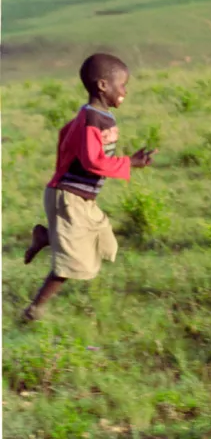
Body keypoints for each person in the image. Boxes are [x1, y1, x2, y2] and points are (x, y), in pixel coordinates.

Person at [22, 53, 157, 321]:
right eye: (122, 85)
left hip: (80, 198)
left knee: (104, 242)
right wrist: (129, 163)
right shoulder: (92, 119)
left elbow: (65, 135)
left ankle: (49, 237)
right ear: (103, 86)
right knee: (73, 262)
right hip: (69, 198)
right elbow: (93, 161)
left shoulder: (94, 116)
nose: (125, 91)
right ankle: (35, 310)